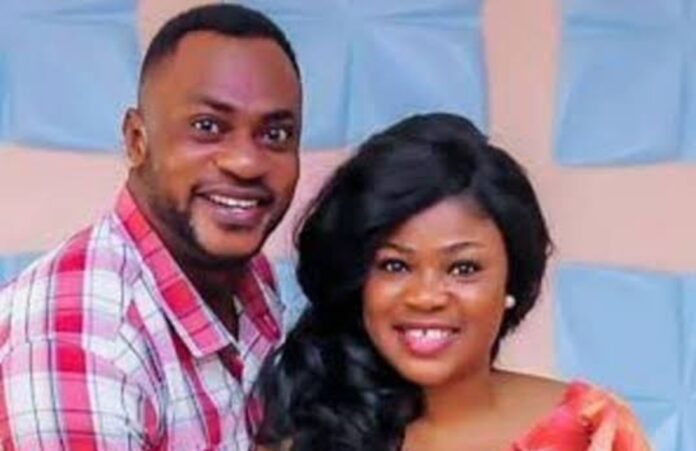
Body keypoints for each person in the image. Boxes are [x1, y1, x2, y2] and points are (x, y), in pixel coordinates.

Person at [0, 4, 301, 450]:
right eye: (208, 127)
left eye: (275, 135)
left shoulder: (245, 273)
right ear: (137, 140)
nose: (246, 162)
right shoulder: (86, 345)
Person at [255, 113, 650, 450]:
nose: (426, 297)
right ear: (357, 281)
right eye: (395, 265)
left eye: (463, 268)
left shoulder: (591, 430)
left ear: (511, 281)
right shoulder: (304, 439)